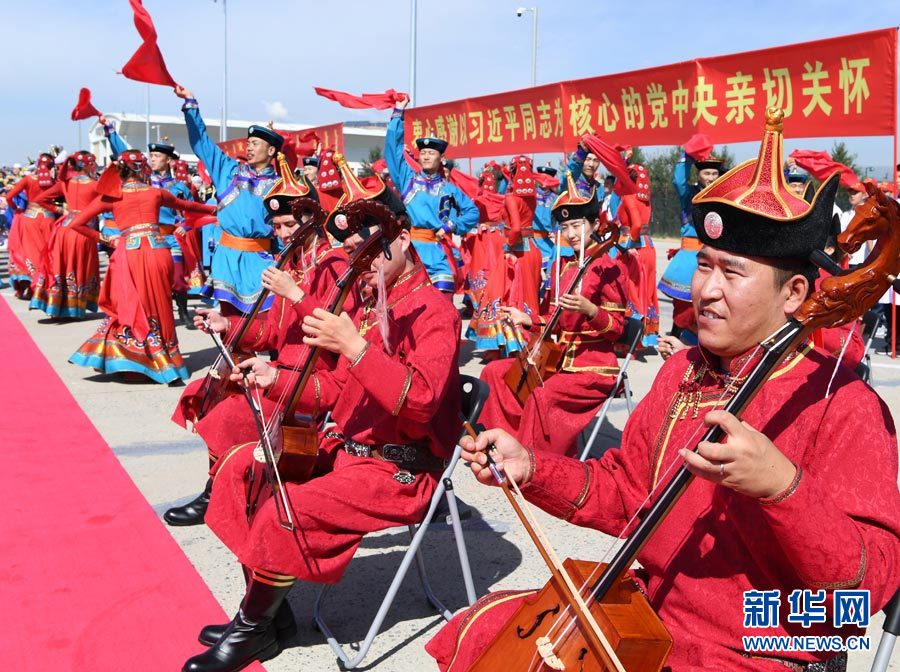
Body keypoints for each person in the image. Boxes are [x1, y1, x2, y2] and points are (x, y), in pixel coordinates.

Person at [428, 109, 900, 671]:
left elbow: (865, 586)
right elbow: (627, 491)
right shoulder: (682, 373)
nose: (706, 291)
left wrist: (782, 487)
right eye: (705, 266)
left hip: (759, 649)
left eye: (733, 273)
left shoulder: (843, 405)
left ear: (796, 292)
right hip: (648, 617)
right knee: (485, 636)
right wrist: (532, 466)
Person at [180, 192, 461, 672]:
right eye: (356, 253)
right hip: (345, 447)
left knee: (290, 509)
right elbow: (334, 388)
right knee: (240, 472)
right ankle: (269, 618)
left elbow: (419, 404)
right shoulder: (377, 306)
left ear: (402, 241)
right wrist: (278, 379)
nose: (360, 264)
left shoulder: (435, 313)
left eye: (369, 252)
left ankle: (251, 629)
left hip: (398, 467)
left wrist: (354, 348)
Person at [167, 152, 354, 526]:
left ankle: (220, 494)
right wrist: (227, 325)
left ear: (311, 221)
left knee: (229, 414)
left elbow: (335, 332)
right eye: (277, 226)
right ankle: (223, 487)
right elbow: (271, 332)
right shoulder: (292, 263)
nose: (282, 235)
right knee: (211, 390)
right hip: (281, 375)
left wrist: (296, 294)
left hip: (310, 383)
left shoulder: (335, 264)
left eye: (289, 225)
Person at [476, 174, 627, 456]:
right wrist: (527, 319)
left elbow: (618, 329)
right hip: (556, 357)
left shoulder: (608, 265)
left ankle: (538, 462)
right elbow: (556, 320)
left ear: (594, 224)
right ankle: (501, 442)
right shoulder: (565, 266)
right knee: (494, 372)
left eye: (577, 225)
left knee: (543, 394)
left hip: (592, 366)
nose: (570, 233)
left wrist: (591, 310)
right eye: (565, 227)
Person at [67, 151, 215, 384]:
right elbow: (187, 205)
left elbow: (76, 223)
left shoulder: (112, 197)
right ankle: (168, 359)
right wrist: (216, 210)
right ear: (142, 169)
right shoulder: (155, 192)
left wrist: (108, 239)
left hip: (129, 254)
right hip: (158, 251)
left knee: (128, 305)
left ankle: (134, 358)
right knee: (161, 304)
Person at [175, 85, 281, 314]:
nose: (249, 147)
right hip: (228, 260)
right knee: (231, 325)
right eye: (248, 143)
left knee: (269, 323)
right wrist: (191, 105)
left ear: (271, 151)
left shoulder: (281, 186)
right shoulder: (228, 171)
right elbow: (202, 143)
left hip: (264, 261)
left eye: (255, 144)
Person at [102, 118, 200, 327]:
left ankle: (183, 311)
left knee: (176, 277)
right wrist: (110, 132)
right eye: (151, 156)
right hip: (146, 238)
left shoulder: (180, 186)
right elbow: (123, 153)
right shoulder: (145, 183)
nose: (153, 160)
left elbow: (193, 212)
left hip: (171, 239)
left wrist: (185, 226)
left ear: (169, 161)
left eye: (157, 156)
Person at [385, 95, 478, 292]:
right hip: (409, 251)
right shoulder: (407, 179)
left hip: (437, 253)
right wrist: (398, 114)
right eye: (423, 152)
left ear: (441, 158)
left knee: (444, 297)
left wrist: (451, 225)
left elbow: (472, 212)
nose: (426, 156)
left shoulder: (449, 189)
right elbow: (393, 150)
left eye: (432, 153)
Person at [467, 156, 544, 355]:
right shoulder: (532, 196)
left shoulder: (511, 197)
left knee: (504, 294)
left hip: (516, 251)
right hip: (532, 249)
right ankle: (528, 341)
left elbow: (516, 228)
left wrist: (508, 247)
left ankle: (507, 344)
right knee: (528, 296)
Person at [659, 143, 724, 344]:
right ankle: (678, 339)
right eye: (707, 173)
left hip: (715, 252)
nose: (711, 178)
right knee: (684, 305)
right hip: (691, 254)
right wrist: (687, 155)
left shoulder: (722, 196)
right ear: (698, 176)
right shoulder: (689, 194)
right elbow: (678, 181)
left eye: (714, 174)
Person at [29, 151, 101, 318]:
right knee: (79, 267)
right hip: (84, 230)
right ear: (88, 165)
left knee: (62, 266)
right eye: (94, 163)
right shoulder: (95, 185)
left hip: (64, 229)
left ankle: (57, 306)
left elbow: (40, 199)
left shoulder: (66, 183)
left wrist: (61, 210)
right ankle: (75, 308)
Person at [5, 152, 57, 300]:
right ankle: (45, 285)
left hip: (30, 218)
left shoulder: (28, 179)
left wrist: (16, 209)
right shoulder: (53, 182)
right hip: (48, 218)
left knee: (29, 253)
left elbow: (9, 197)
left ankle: (30, 284)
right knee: (47, 253)